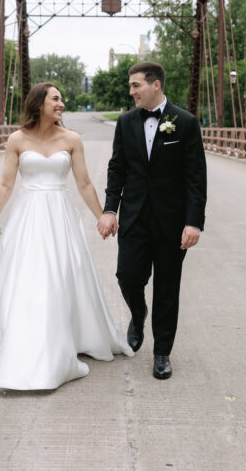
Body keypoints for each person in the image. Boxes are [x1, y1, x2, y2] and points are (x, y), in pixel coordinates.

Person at [0, 82, 132, 390]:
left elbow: (85, 183)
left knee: (59, 277)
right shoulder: (17, 139)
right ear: (38, 104)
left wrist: (103, 216)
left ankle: (62, 340)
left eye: (62, 98)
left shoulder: (72, 139)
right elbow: (6, 186)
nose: (61, 103)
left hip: (59, 216)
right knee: (25, 280)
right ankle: (23, 346)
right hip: (27, 216)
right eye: (55, 99)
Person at [97, 61, 207, 380]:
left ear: (155, 85)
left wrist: (193, 222)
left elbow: (195, 178)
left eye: (135, 85)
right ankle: (137, 312)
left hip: (173, 222)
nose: (131, 91)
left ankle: (162, 353)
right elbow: (117, 168)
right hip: (134, 218)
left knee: (167, 288)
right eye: (131, 86)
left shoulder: (185, 122)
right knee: (127, 276)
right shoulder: (126, 123)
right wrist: (109, 209)